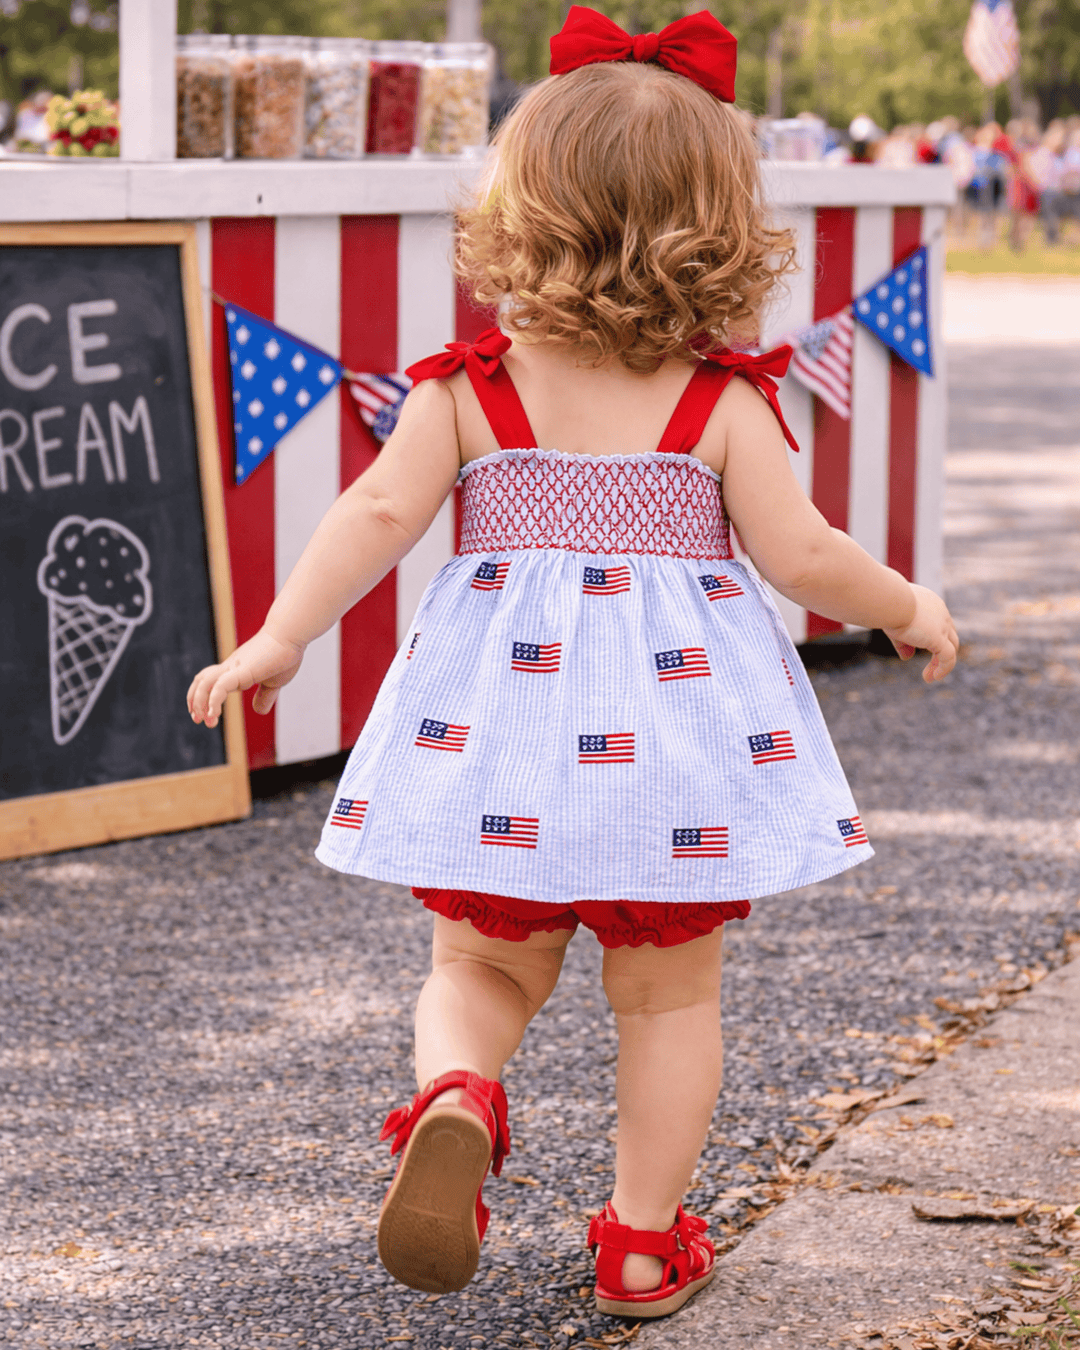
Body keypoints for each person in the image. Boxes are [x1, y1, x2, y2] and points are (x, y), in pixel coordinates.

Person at [187, 4, 958, 1321]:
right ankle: (643, 1244)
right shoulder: (723, 403)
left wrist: (280, 634)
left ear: (518, 212)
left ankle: (457, 1095)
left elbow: (372, 516)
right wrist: (910, 604)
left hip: (498, 745)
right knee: (665, 1001)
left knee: (479, 966)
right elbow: (805, 552)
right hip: (669, 761)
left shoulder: (467, 389)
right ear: (725, 227)